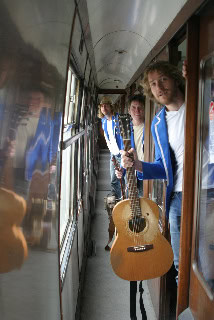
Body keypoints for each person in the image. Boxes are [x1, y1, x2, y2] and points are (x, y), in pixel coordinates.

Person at [121, 61, 185, 280]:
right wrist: (137, 164)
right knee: (180, 265)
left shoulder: (200, 103)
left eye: (163, 79)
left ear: (175, 78)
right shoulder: (158, 123)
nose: (159, 87)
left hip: (208, 193)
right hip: (176, 199)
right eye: (153, 83)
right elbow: (162, 167)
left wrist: (199, 76)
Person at [115, 94, 145, 197]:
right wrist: (121, 170)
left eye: (140, 107)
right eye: (133, 107)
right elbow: (123, 153)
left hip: (146, 172)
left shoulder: (151, 127)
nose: (137, 110)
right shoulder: (124, 129)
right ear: (129, 110)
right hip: (131, 173)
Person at [97, 96, 124, 199]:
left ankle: (124, 200)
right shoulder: (103, 121)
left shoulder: (118, 120)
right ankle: (116, 202)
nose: (104, 108)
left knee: (123, 178)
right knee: (113, 179)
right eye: (102, 106)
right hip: (112, 154)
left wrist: (123, 154)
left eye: (106, 105)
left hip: (121, 154)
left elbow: (123, 138)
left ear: (111, 107)